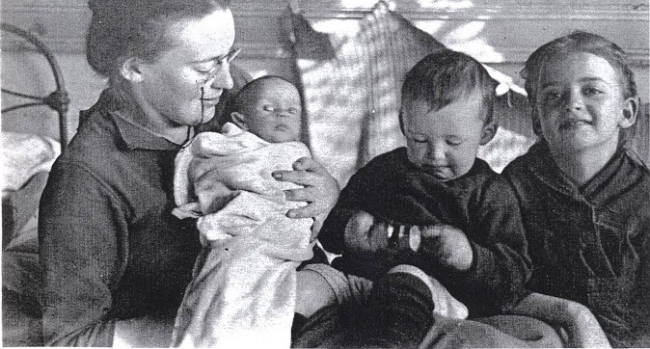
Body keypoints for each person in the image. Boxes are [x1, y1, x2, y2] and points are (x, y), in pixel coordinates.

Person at [37, 0, 339, 347]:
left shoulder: (228, 100)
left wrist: (326, 193)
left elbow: (289, 175)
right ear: (134, 68)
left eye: (228, 57)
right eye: (204, 68)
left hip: (313, 296)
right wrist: (232, 319)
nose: (228, 81)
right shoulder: (87, 178)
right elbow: (69, 340)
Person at [314, 50, 561, 348]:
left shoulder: (491, 193)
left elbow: (513, 276)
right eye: (419, 140)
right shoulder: (384, 170)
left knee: (405, 279)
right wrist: (350, 229)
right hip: (356, 285)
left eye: (452, 142)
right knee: (308, 283)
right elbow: (329, 228)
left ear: (486, 134)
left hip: (434, 300)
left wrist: (469, 257)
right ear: (404, 125)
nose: (435, 154)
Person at [502, 31, 649, 347]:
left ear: (626, 112)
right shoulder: (512, 187)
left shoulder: (645, 199)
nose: (572, 104)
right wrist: (574, 314)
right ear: (537, 120)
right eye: (553, 95)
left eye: (592, 90)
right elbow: (494, 284)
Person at [171, 75, 323, 347]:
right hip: (244, 233)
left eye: (292, 110)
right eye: (269, 108)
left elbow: (312, 199)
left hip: (288, 239)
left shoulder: (298, 153)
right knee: (232, 284)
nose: (282, 114)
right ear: (241, 121)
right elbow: (209, 170)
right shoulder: (232, 146)